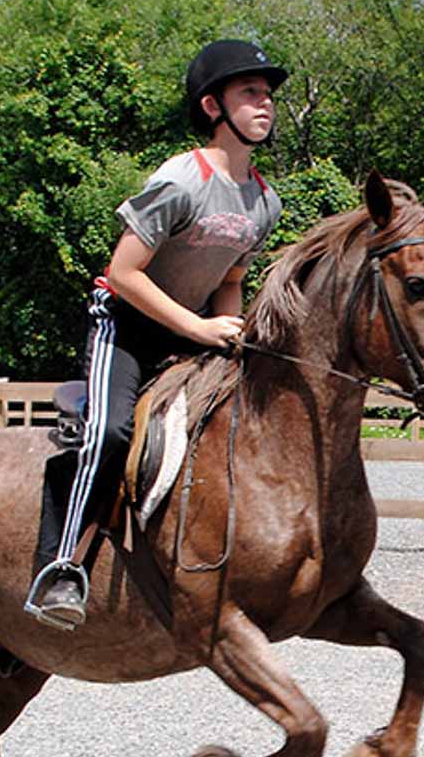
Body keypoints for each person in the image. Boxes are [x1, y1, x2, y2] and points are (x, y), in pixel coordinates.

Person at [27, 39, 289, 630]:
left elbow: (231, 278)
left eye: (267, 95)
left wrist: (231, 330)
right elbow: (123, 274)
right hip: (123, 325)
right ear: (213, 106)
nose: (264, 104)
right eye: (250, 93)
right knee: (110, 433)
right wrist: (197, 325)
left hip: (194, 330)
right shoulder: (181, 179)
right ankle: (60, 566)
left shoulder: (265, 201)